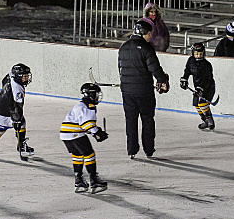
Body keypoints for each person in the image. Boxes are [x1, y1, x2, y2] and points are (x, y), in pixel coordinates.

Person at [118, 19, 170, 158]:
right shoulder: (147, 48)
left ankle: (132, 150)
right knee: (147, 119)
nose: (150, 36)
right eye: (148, 34)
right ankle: (148, 150)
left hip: (127, 92)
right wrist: (162, 80)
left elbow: (121, 70)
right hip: (144, 92)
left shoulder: (123, 47)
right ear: (142, 33)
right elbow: (155, 68)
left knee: (130, 120)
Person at [60, 83, 109, 193]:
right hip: (75, 134)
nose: (97, 97)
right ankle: (94, 181)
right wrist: (97, 133)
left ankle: (79, 182)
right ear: (91, 95)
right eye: (96, 94)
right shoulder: (89, 106)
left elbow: (83, 125)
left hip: (65, 135)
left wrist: (94, 132)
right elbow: (87, 124)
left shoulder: (80, 105)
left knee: (77, 154)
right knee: (89, 154)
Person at [0, 63, 33, 161]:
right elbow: (18, 107)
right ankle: (22, 147)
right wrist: (16, 120)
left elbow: (3, 81)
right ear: (18, 76)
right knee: (19, 124)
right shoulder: (17, 89)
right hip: (6, 113)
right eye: (24, 77)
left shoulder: (10, 76)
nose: (26, 79)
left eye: (27, 76)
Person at [180, 42, 216, 130]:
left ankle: (210, 120)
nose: (198, 55)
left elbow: (208, 80)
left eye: (200, 53)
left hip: (208, 88)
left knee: (202, 104)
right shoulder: (190, 61)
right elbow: (187, 71)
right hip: (198, 88)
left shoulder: (207, 65)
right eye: (196, 53)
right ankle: (205, 121)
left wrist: (201, 88)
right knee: (196, 104)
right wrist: (184, 79)